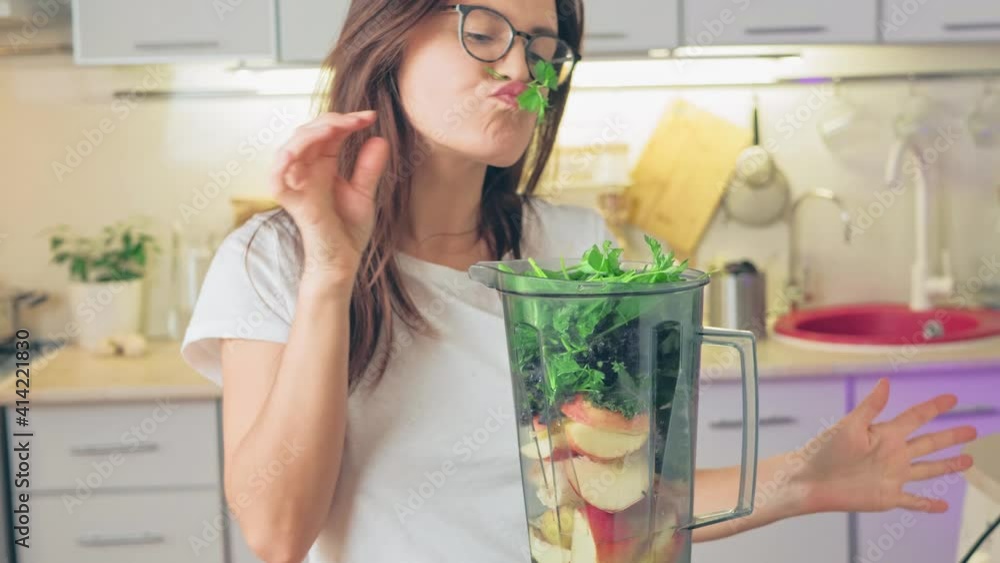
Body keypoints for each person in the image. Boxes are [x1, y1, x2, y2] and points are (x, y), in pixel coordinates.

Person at [180, 1, 978, 562]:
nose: (521, 64)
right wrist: (332, 271)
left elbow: (624, 504)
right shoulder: (274, 259)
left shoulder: (574, 250)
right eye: (484, 30)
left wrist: (802, 481)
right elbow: (277, 532)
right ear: (390, 34)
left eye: (542, 44)